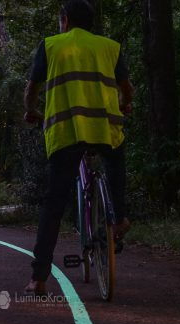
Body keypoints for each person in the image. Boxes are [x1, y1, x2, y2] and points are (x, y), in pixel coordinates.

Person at [23, 0, 135, 295]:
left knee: (54, 205)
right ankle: (120, 216)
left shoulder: (51, 46)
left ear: (65, 21)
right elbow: (127, 88)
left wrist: (31, 110)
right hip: (104, 129)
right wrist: (125, 105)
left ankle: (39, 278)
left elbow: (32, 88)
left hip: (67, 133)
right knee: (115, 162)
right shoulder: (109, 47)